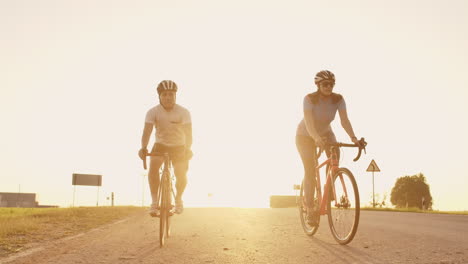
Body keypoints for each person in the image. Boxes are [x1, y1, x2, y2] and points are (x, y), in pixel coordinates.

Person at [296, 70, 361, 225]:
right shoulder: (309, 99)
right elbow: (309, 122)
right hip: (305, 136)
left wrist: (354, 138)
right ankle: (311, 209)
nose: (329, 87)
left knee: (334, 159)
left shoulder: (338, 99)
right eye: (325, 84)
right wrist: (315, 138)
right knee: (310, 170)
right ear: (318, 85)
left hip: (326, 133)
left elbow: (344, 121)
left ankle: (329, 187)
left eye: (331, 84)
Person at [138, 80, 193, 216]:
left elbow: (188, 133)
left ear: (175, 96)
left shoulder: (183, 112)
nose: (168, 97)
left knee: (181, 173)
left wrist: (188, 148)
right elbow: (147, 132)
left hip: (179, 146)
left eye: (171, 94)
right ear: (159, 96)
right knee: (153, 169)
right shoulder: (152, 112)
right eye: (164, 94)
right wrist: (143, 148)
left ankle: (178, 199)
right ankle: (155, 202)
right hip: (160, 145)